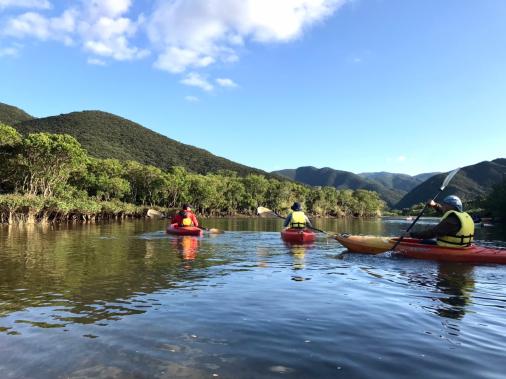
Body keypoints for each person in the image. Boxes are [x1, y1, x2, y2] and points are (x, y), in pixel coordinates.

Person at [408, 195, 474, 247]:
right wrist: (434, 205)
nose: (442, 206)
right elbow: (442, 210)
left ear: (450, 206)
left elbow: (432, 233)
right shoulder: (461, 216)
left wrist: (412, 234)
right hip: (464, 246)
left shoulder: (450, 221)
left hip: (451, 247)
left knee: (423, 242)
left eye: (444, 205)